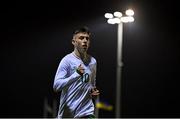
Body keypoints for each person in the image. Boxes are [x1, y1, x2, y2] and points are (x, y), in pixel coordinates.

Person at [53, 26, 100, 118]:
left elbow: (91, 86)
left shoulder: (93, 61)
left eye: (87, 38)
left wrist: (93, 92)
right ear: (73, 42)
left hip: (86, 111)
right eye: (81, 38)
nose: (85, 41)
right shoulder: (66, 60)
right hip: (68, 113)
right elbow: (56, 86)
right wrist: (76, 75)